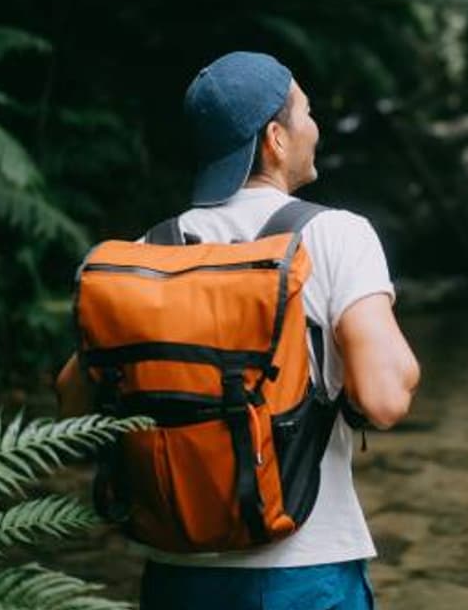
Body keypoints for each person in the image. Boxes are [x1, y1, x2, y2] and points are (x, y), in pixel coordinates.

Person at [55, 51, 420, 610]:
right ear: (275, 138)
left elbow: (72, 401)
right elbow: (385, 398)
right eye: (307, 112)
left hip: (177, 574)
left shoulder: (148, 253)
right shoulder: (335, 236)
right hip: (305, 568)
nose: (314, 127)